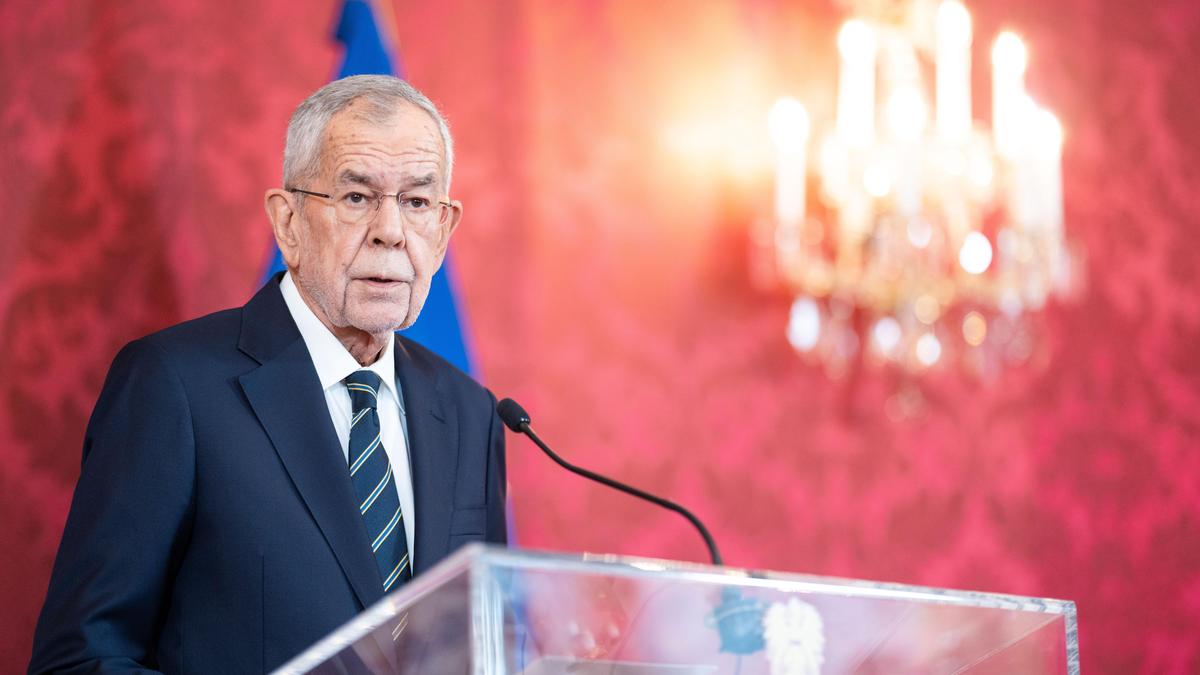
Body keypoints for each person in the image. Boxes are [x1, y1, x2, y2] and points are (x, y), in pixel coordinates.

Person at [28, 75, 507, 674]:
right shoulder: (175, 385)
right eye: (357, 197)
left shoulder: (471, 410)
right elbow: (80, 660)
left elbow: (484, 646)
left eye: (416, 202)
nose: (391, 231)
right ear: (287, 223)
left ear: (443, 229)